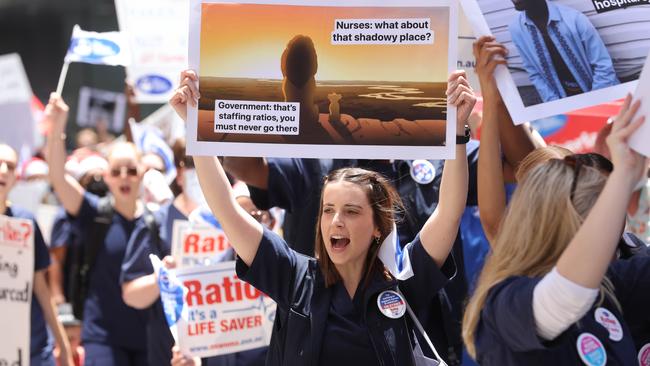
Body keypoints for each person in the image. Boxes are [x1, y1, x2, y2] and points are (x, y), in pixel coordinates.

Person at [170, 69, 474, 365]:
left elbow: (448, 213)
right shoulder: (293, 276)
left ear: (378, 228)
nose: (335, 221)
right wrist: (195, 127)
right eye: (328, 210)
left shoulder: (402, 281)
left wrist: (458, 132)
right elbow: (226, 207)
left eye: (351, 211)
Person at [462, 94, 649, 364]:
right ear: (565, 227)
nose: (615, 231)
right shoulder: (505, 304)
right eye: (605, 216)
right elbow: (567, 295)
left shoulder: (612, 281)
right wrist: (624, 175)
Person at [44, 93, 148, 365]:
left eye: (131, 170)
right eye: (116, 171)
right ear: (107, 177)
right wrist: (58, 128)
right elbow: (57, 176)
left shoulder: (157, 222)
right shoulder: (94, 214)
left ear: (143, 174)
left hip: (149, 339)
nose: (124, 177)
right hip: (102, 338)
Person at [0, 143, 74, 366]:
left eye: (10, 166)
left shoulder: (25, 223)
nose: (3, 170)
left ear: (16, 177)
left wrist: (62, 344)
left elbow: (41, 287)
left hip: (32, 346)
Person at [509, 0, 619, 102]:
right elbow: (534, 73)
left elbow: (603, 66)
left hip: (603, 96)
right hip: (562, 103)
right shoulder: (517, 29)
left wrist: (594, 101)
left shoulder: (574, 19)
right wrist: (555, 105)